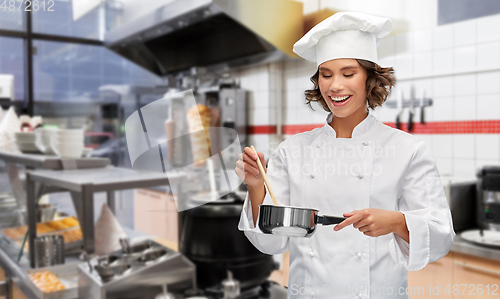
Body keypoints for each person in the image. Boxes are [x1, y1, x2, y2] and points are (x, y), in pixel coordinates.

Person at [235, 11, 455, 299]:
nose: (334, 85)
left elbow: (439, 237)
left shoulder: (407, 150)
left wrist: (397, 222)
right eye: (326, 75)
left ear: (369, 79)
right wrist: (255, 187)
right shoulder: (293, 150)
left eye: (348, 73)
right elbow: (272, 244)